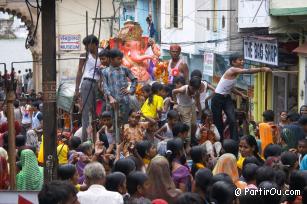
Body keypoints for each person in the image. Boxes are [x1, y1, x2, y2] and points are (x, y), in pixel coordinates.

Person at [211, 54, 271, 141]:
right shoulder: (232, 70)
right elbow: (248, 71)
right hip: (217, 98)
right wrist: (262, 69)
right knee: (218, 122)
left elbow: (230, 88)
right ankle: (220, 141)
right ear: (233, 62)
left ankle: (234, 141)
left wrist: (241, 94)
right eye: (240, 60)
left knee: (232, 119)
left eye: (242, 60)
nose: (242, 61)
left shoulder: (235, 73)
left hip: (226, 98)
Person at [102, 48, 138, 133]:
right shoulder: (105, 71)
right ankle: (116, 144)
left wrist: (130, 90)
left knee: (125, 124)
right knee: (113, 124)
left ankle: (124, 143)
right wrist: (110, 98)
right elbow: (105, 86)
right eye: (118, 59)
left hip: (124, 101)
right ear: (111, 59)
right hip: (112, 103)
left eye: (121, 59)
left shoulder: (125, 69)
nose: (120, 61)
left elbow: (134, 80)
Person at [75, 35, 101, 142]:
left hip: (98, 85)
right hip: (87, 83)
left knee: (96, 113)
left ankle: (95, 139)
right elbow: (79, 71)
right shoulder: (85, 55)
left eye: (87, 45)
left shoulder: (102, 54)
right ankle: (85, 141)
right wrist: (77, 89)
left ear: (95, 44)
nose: (86, 47)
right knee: (87, 113)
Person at [172, 77, 202, 150]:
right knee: (187, 126)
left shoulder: (196, 91)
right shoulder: (183, 89)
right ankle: (188, 145)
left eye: (196, 89)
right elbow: (173, 91)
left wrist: (200, 112)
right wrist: (175, 103)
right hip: (183, 107)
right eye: (193, 89)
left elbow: (198, 102)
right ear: (189, 85)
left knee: (194, 125)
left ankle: (191, 139)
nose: (194, 91)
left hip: (191, 106)